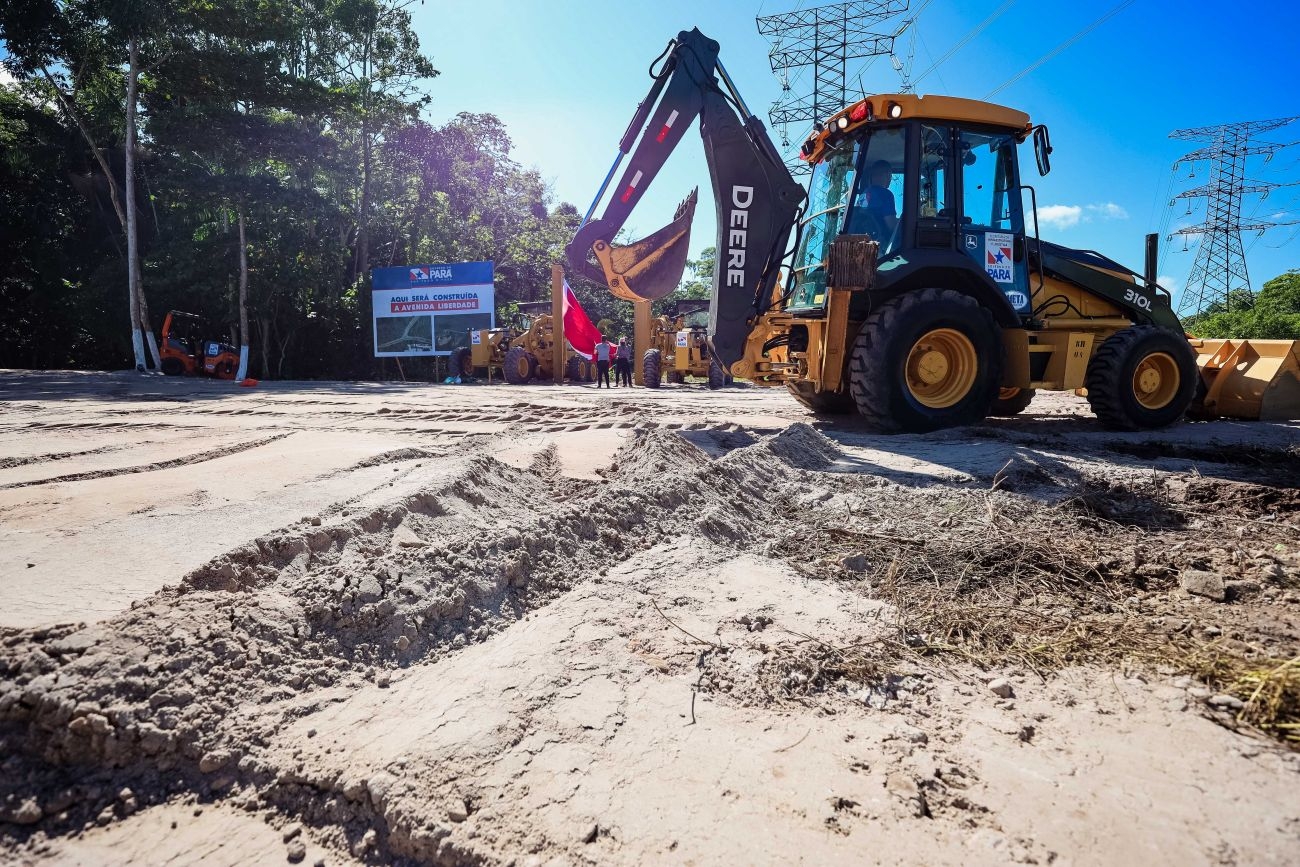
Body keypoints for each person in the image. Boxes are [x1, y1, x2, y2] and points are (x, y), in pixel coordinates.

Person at [849, 159, 898, 238]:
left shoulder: (863, 195)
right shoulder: (886, 195)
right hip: (879, 244)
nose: (890, 179)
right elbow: (891, 226)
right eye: (890, 176)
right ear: (886, 175)